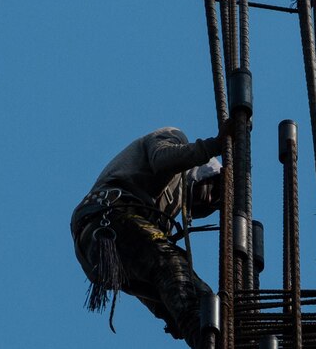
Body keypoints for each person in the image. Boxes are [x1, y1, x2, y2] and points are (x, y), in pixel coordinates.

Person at [70, 123, 229, 348]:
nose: (212, 201)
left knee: (203, 298)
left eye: (216, 205)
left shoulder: (161, 217)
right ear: (202, 172)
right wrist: (212, 146)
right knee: (172, 261)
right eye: (215, 189)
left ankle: (216, 340)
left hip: (102, 242)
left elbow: (156, 275)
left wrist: (166, 310)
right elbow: (162, 159)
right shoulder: (175, 138)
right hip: (111, 213)